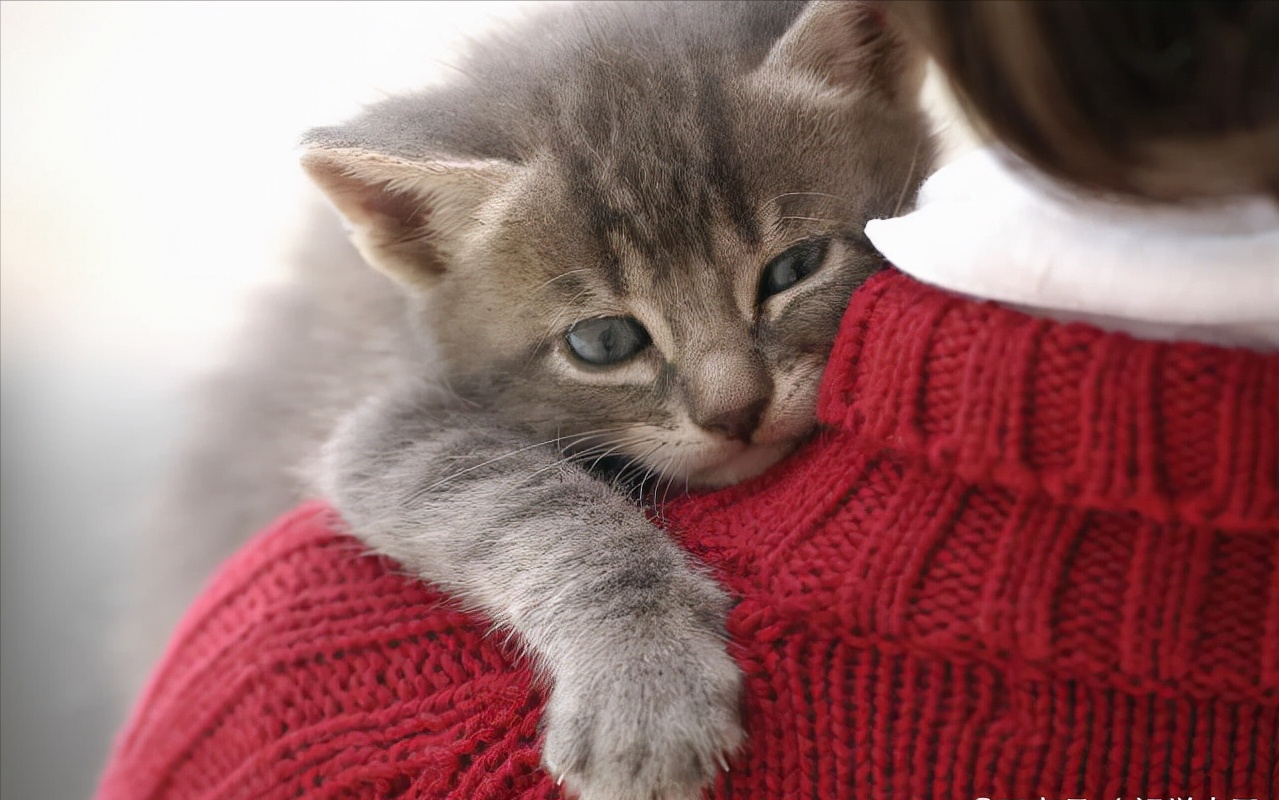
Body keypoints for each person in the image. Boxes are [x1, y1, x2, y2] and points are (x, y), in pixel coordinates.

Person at [96, 2, 1278, 798]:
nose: (732, 395)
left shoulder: (303, 691)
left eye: (788, 271)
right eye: (613, 339)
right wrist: (611, 595)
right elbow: (394, 441)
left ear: (897, 55)